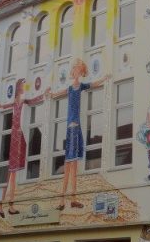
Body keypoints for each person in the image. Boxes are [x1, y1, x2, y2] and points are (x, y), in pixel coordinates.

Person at [47, 59, 110, 210]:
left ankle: (71, 198)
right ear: (73, 71)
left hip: (75, 128)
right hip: (71, 129)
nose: (77, 72)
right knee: (69, 164)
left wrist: (104, 79)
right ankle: (63, 200)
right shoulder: (70, 88)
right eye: (76, 70)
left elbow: (93, 84)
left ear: (81, 73)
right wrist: (50, 94)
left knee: (73, 164)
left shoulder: (80, 86)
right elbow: (56, 94)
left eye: (79, 70)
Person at [0, 78, 47, 217]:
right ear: (19, 88)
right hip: (15, 137)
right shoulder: (16, 102)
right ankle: (4, 204)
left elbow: (32, 100)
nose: (25, 87)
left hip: (18, 136)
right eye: (23, 85)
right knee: (11, 173)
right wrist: (0, 106)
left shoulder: (21, 101)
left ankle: (7, 205)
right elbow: (7, 106)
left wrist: (43, 95)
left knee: (12, 173)